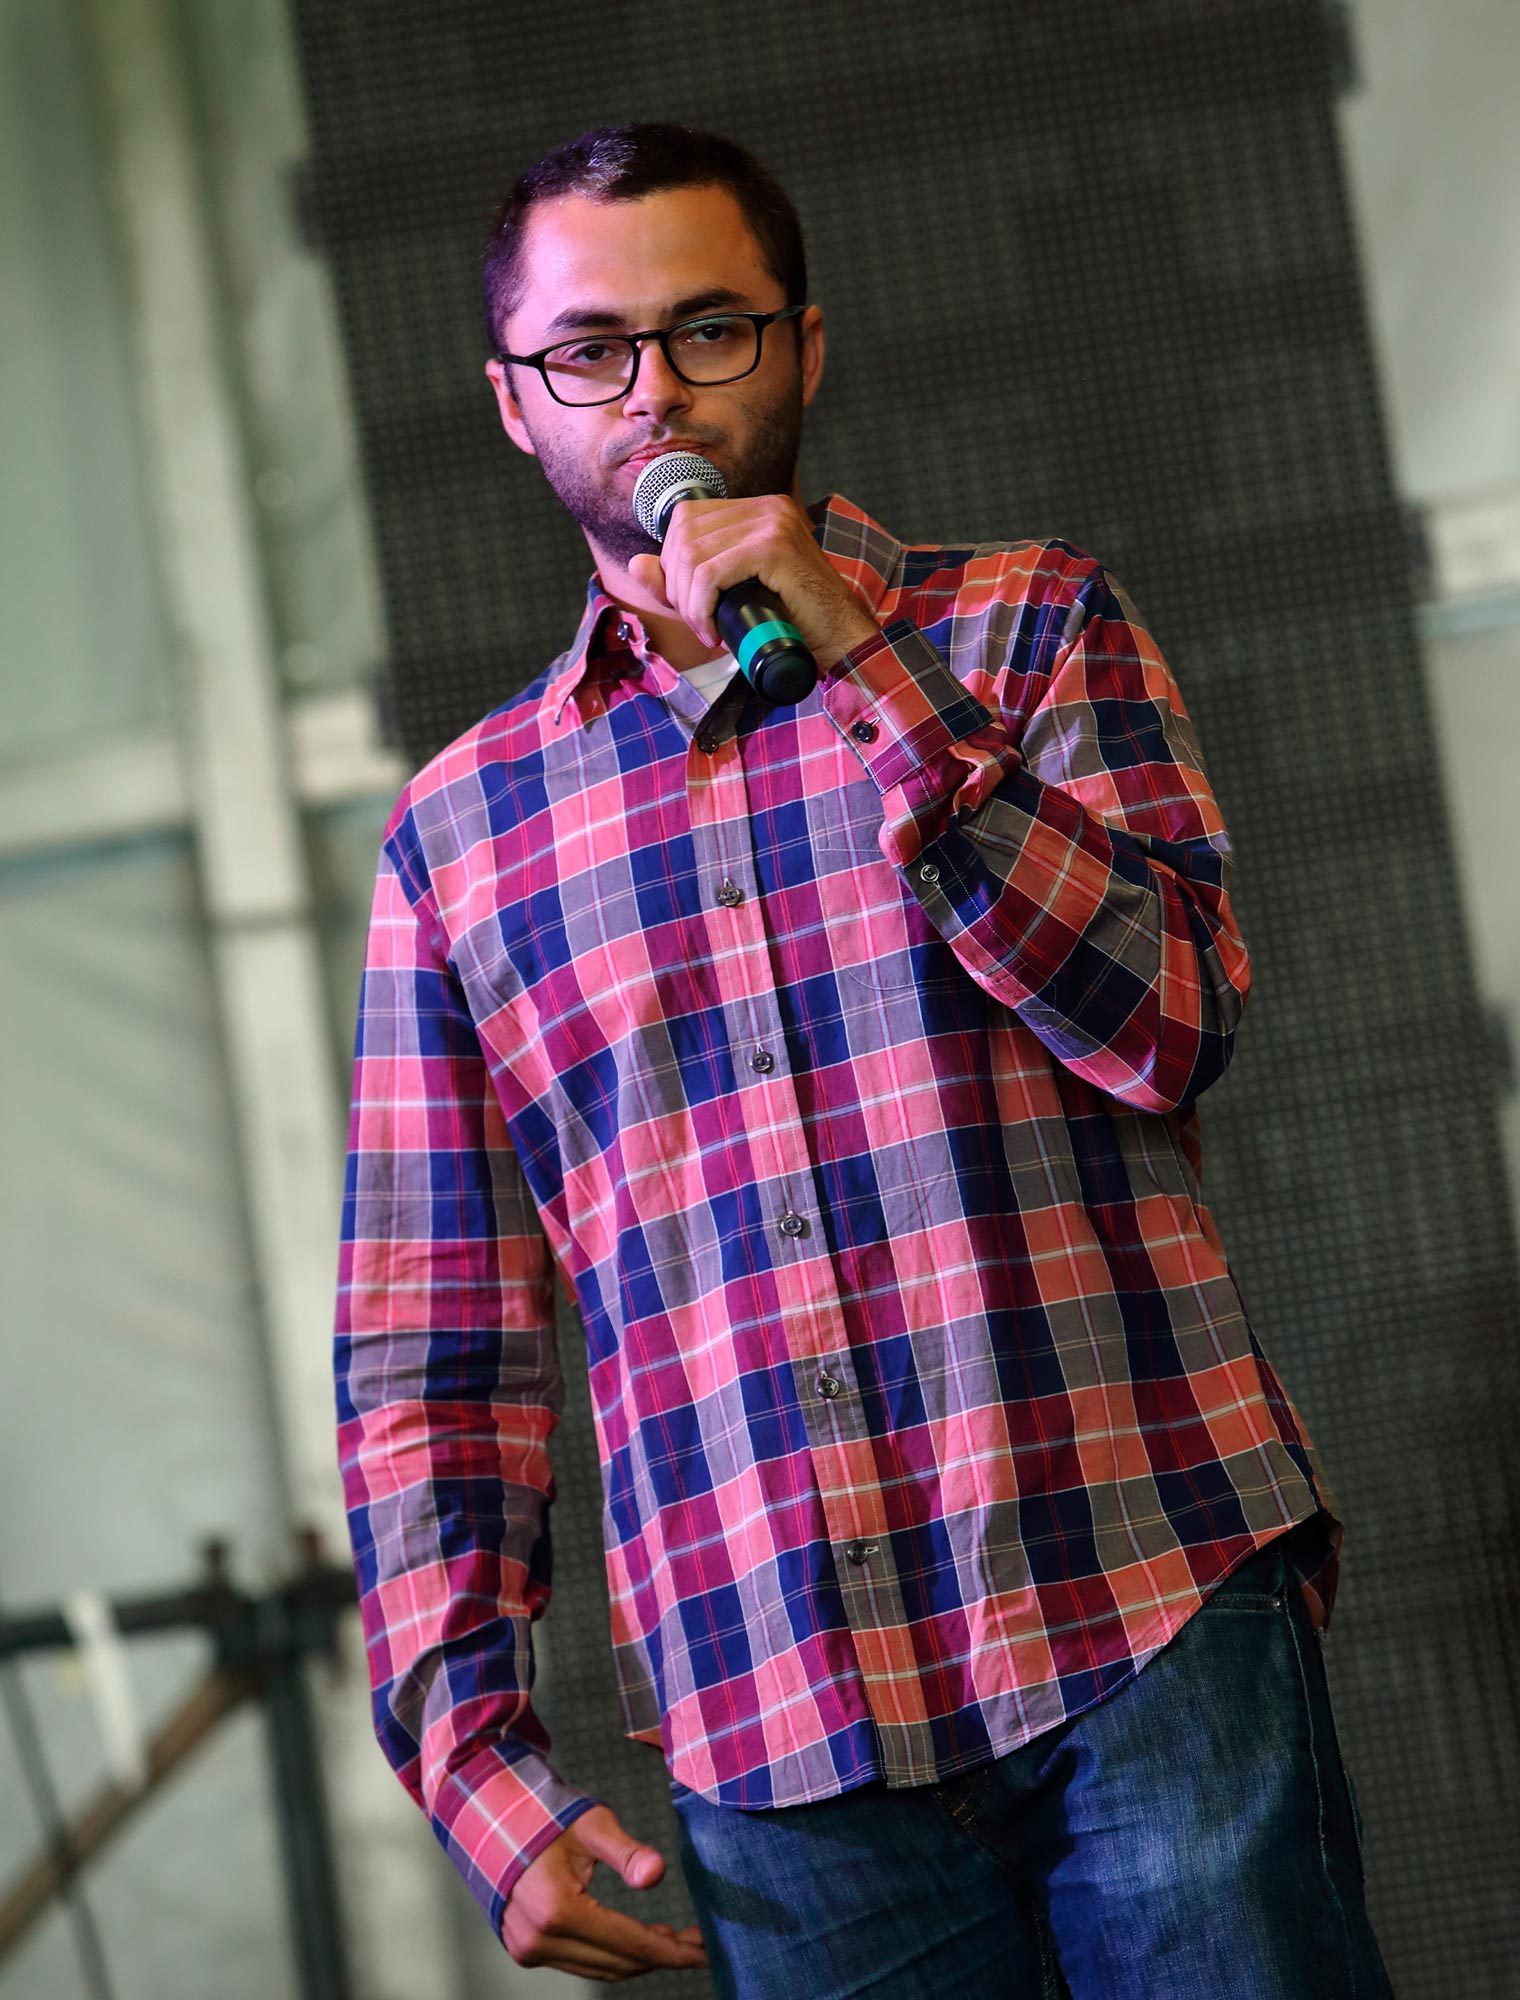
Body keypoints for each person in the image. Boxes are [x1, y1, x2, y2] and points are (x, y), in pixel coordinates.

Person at [333, 121, 1394, 1996]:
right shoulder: (459, 836)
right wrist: (475, 1766)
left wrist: (875, 675)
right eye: (593, 349)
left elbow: (1176, 1021)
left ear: (805, 350)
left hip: (1145, 1615)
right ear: (517, 406)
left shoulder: (1033, 625)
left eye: (710, 330)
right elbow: (431, 1348)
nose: (656, 391)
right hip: (777, 1730)